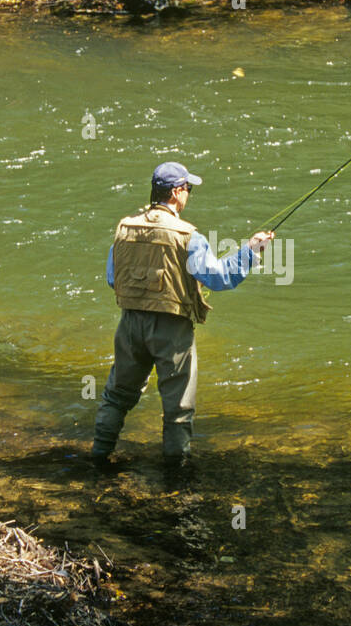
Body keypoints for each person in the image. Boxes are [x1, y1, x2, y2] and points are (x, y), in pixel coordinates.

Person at [93, 161, 273, 467]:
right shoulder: (189, 236)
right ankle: (176, 478)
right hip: (171, 330)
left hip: (129, 325)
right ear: (177, 192)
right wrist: (250, 250)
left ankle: (97, 458)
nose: (189, 194)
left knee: (117, 396)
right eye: (188, 188)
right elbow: (218, 278)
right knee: (178, 409)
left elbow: (113, 278)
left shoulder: (125, 228)